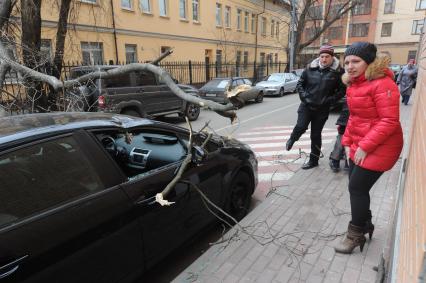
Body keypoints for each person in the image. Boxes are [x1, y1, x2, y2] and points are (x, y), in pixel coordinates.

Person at [334, 42, 403, 254]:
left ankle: (355, 235)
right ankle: (366, 224)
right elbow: (354, 118)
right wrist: (346, 143)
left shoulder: (383, 84)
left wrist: (364, 146)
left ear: (369, 62)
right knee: (357, 188)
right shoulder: (355, 84)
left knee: (357, 188)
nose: (350, 66)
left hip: (382, 146)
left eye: (356, 61)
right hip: (361, 143)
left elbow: (390, 121)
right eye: (347, 62)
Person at [286, 44, 346, 169]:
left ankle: (314, 161)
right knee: (301, 126)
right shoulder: (310, 68)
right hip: (306, 105)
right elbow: (300, 84)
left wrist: (329, 100)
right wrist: (304, 97)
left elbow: (342, 90)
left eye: (327, 57)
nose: (324, 59)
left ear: (332, 57)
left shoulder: (338, 72)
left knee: (316, 135)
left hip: (322, 109)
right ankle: (292, 138)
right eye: (322, 56)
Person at [329, 98, 349, 173]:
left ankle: (335, 163)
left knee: (341, 138)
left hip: (345, 118)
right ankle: (347, 164)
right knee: (352, 140)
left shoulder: (350, 89)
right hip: (356, 118)